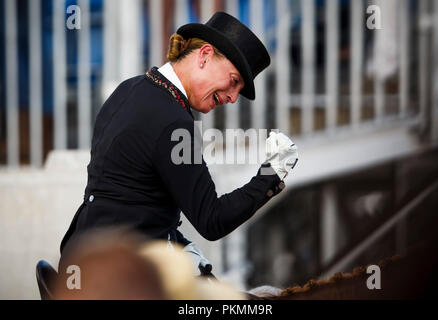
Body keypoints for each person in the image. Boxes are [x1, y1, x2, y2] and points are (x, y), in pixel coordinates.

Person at [59, 12, 298, 276]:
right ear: (205, 55)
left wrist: (178, 243)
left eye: (237, 91)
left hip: (81, 254)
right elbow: (212, 220)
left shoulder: (130, 88)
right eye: (233, 82)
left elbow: (135, 201)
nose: (232, 97)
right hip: (123, 271)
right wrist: (271, 173)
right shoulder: (174, 122)